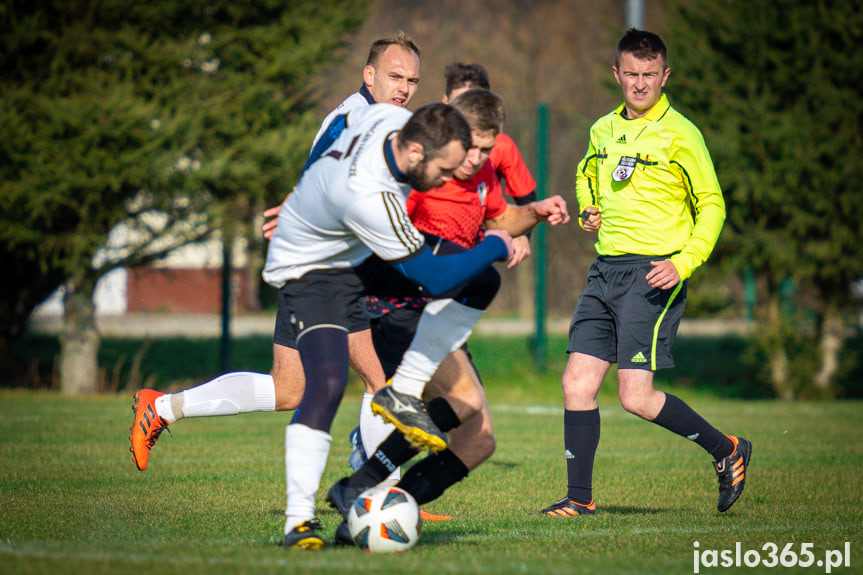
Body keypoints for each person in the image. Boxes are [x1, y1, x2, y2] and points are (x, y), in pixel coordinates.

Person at [129, 32, 423, 474]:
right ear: (369, 75)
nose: (403, 87)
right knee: (377, 380)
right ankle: (380, 496)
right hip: (324, 268)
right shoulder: (355, 116)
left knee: (289, 389)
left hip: (314, 262)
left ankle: (164, 408)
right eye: (394, 76)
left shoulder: (387, 122)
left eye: (412, 80)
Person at [325, 89, 570, 545]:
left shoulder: (482, 177)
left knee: (480, 442)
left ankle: (369, 506)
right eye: (471, 146)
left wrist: (533, 213)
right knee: (464, 402)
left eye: (486, 149)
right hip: (406, 310)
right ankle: (360, 491)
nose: (476, 158)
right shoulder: (426, 177)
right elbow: (380, 227)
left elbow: (499, 222)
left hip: (445, 316)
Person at [268, 101, 515, 549]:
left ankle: (401, 398)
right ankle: (298, 522)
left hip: (360, 253)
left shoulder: (390, 119)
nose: (447, 180)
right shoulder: (370, 197)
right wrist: (496, 242)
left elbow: (340, 123)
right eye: (445, 169)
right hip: (312, 268)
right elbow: (435, 280)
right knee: (324, 384)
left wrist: (303, 185)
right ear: (418, 152)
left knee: (483, 281)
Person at [539, 29, 751, 519]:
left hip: (653, 274)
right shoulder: (601, 129)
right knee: (576, 382)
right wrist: (589, 206)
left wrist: (685, 261)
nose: (639, 84)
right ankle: (579, 499)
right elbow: (586, 173)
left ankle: (727, 450)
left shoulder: (683, 133)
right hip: (604, 271)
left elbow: (713, 204)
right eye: (631, 74)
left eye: (649, 75)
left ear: (665, 76)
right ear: (616, 74)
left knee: (635, 396)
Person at [442, 63, 537, 266]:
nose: (475, 158)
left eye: (476, 105)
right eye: (461, 105)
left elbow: (525, 200)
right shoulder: (427, 141)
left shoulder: (501, 146)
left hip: (473, 245)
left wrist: (521, 234)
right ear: (445, 104)